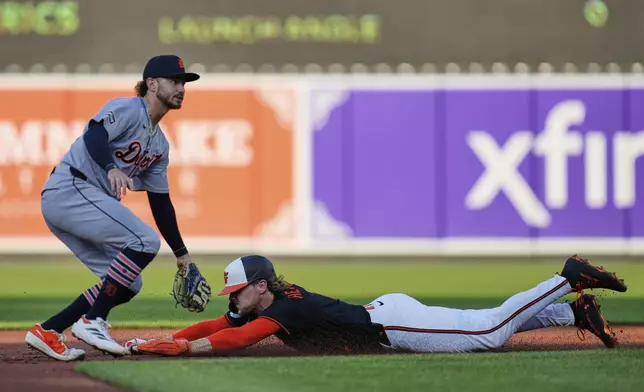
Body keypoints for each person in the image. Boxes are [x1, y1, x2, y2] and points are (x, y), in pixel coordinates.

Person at [25, 55, 211, 361]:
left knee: (128, 282)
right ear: (152, 84)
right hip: (71, 188)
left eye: (183, 83)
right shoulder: (128, 108)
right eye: (174, 81)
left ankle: (49, 329)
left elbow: (160, 201)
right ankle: (92, 322)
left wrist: (183, 256)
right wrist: (111, 166)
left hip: (80, 199)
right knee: (144, 241)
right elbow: (95, 134)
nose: (180, 88)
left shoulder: (160, 145)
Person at [127, 254, 627, 357]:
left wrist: (184, 351)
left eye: (236, 291)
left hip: (394, 325)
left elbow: (237, 337)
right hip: (387, 313)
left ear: (259, 286)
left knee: (488, 332)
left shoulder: (285, 309)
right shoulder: (270, 300)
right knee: (479, 324)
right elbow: (220, 323)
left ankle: (566, 279)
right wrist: (163, 339)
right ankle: (573, 314)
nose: (231, 300)